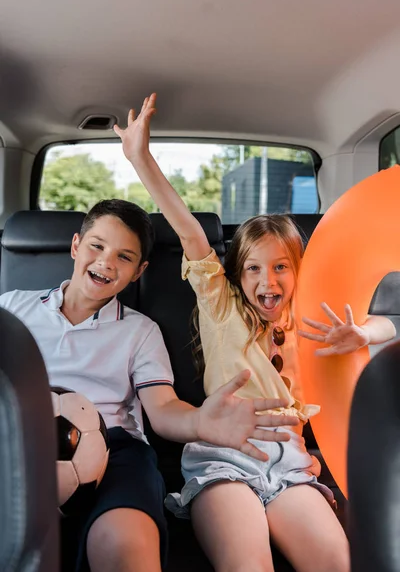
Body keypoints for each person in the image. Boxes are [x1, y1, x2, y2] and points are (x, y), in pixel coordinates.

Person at [114, 93, 396, 572]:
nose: (268, 282)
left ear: (299, 270)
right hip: (223, 458)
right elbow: (188, 231)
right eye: (254, 269)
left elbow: (391, 323)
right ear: (235, 275)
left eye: (282, 267)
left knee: (339, 562)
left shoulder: (311, 317)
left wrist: (364, 335)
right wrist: (140, 157)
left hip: (292, 466)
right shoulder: (222, 306)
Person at [0, 198, 300, 572]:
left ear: (140, 271)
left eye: (124, 257)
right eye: (97, 246)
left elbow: (162, 409)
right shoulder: (12, 308)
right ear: (76, 246)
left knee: (126, 547)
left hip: (116, 453)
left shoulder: (140, 331)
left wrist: (199, 423)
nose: (107, 262)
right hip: (18, 444)